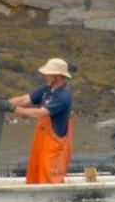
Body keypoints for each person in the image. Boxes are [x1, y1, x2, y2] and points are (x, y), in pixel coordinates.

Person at [7, 57, 73, 185]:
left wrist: (12, 109)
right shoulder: (47, 90)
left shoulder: (63, 97)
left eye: (48, 74)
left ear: (57, 76)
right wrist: (3, 103)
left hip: (54, 151)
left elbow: (39, 113)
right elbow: (25, 100)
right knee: (34, 178)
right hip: (41, 147)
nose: (45, 76)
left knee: (50, 180)